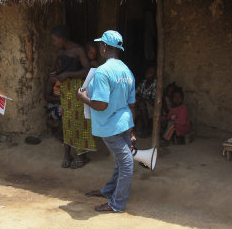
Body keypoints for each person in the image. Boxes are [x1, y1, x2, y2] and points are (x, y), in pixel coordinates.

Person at [77, 30, 136, 213]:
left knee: (126, 163)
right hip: (124, 123)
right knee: (121, 161)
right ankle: (108, 191)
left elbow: (101, 105)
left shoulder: (103, 72)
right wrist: (132, 131)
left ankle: (116, 204)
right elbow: (132, 104)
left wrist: (82, 97)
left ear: (104, 47)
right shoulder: (127, 71)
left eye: (100, 45)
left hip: (110, 126)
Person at [50, 25, 96, 169]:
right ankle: (67, 154)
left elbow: (88, 70)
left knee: (78, 121)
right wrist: (57, 76)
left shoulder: (78, 50)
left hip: (77, 90)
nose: (53, 43)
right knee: (67, 121)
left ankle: (83, 156)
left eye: (54, 40)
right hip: (66, 90)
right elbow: (64, 70)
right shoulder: (62, 51)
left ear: (62, 38)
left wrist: (67, 75)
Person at [135, 64, 156, 137]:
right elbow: (135, 93)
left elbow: (153, 101)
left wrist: (142, 99)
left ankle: (146, 128)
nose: (148, 74)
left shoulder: (155, 84)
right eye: (147, 72)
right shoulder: (143, 83)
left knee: (141, 104)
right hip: (142, 105)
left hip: (152, 107)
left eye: (151, 72)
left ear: (155, 75)